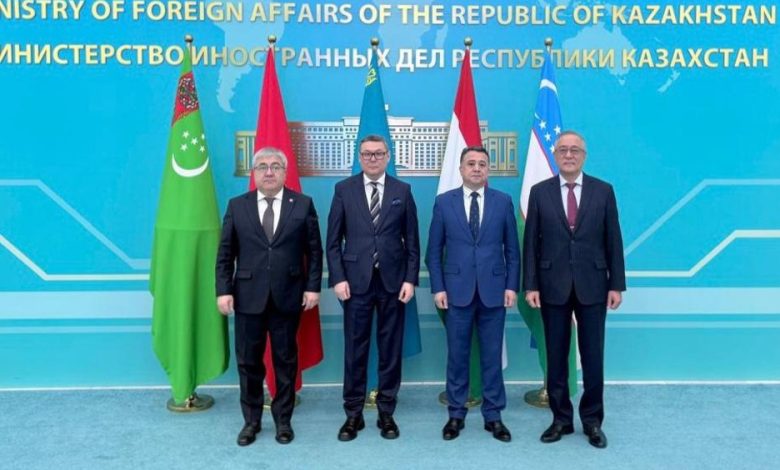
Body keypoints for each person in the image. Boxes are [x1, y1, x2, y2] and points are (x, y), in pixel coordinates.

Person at [522, 130, 625, 449]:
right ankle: (561, 419)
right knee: (556, 357)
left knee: (593, 357)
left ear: (584, 155)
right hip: (551, 285)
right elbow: (531, 243)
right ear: (555, 155)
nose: (569, 155)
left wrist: (616, 284)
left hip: (594, 285)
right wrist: (531, 284)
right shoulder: (540, 192)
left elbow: (613, 239)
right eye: (563, 150)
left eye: (575, 150)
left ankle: (592, 421)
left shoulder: (603, 191)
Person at [216, 147, 323, 446]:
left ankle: (283, 421)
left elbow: (314, 251)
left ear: (285, 172)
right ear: (254, 172)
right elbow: (225, 253)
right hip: (247, 297)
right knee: (249, 363)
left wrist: (313, 287)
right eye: (262, 166)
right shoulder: (238, 206)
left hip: (288, 296)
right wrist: (223, 290)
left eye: (275, 166)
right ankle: (251, 422)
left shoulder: (302, 204)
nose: (269, 172)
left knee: (285, 362)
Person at [326, 134, 420, 441]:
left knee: (390, 349)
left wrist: (410, 279)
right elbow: (333, 242)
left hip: (393, 282)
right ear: (359, 157)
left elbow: (412, 241)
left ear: (388, 156)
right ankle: (353, 414)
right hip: (355, 283)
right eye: (367, 154)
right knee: (355, 349)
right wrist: (338, 278)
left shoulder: (402, 191)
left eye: (378, 153)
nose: (373, 158)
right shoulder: (344, 189)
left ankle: (386, 413)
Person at [426, 146, 520, 442]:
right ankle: (456, 414)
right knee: (457, 356)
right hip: (456, 293)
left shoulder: (503, 201)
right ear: (461, 169)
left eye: (482, 164)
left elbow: (512, 251)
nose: (477, 168)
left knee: (491, 356)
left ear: (488, 169)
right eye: (471, 163)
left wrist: (511, 286)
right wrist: (438, 287)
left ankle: (494, 416)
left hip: (494, 292)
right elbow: (433, 252)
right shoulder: (444, 203)